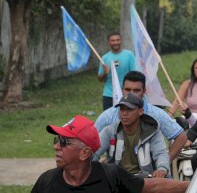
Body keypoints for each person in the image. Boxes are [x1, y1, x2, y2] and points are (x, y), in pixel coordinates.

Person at [32, 115, 187, 193]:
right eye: (57, 140)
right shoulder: (46, 182)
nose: (56, 147)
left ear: (85, 153)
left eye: (64, 142)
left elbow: (152, 186)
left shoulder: (110, 176)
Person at [95, 71, 188, 162]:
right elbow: (90, 144)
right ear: (122, 89)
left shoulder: (157, 114)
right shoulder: (107, 116)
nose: (131, 93)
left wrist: (165, 163)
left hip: (150, 173)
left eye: (136, 90)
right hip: (116, 173)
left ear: (144, 91)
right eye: (127, 89)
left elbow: (181, 136)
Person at [94, 93, 170, 178]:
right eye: (122, 109)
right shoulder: (109, 131)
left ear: (140, 111)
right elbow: (94, 152)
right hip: (117, 180)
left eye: (129, 109)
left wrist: (162, 169)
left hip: (146, 179)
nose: (124, 113)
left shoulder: (152, 131)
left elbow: (160, 154)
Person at [98, 32, 136, 111]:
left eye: (117, 40)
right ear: (109, 42)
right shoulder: (105, 58)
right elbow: (100, 79)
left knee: (126, 119)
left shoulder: (129, 55)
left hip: (126, 94)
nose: (115, 42)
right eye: (113, 40)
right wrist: (105, 72)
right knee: (109, 121)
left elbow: (134, 74)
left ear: (121, 41)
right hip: (109, 95)